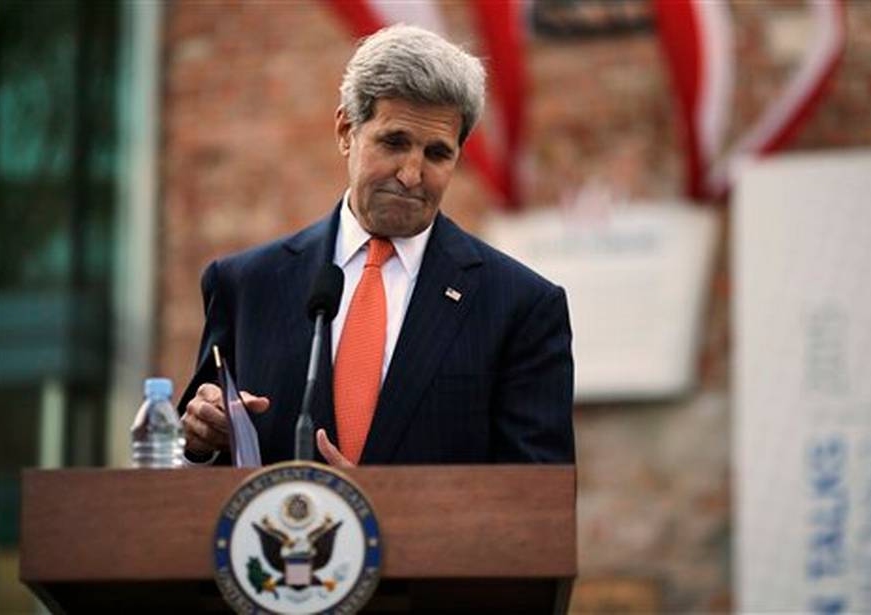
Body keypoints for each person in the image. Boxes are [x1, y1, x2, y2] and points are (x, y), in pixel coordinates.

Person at [178, 24, 574, 468]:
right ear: (347, 130)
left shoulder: (520, 306)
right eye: (394, 142)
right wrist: (199, 443)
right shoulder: (245, 286)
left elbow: (536, 499)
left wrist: (384, 506)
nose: (411, 174)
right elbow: (194, 487)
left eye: (437, 154)